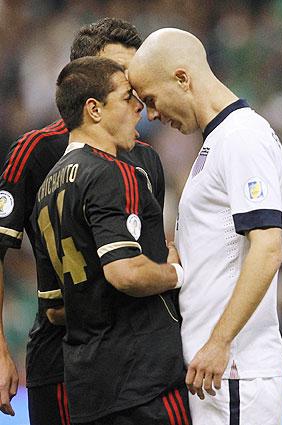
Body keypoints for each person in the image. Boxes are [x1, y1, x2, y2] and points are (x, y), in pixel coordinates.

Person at [0, 18, 166, 424]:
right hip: (59, 357)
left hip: (134, 365)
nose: (133, 91)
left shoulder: (145, 158)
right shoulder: (36, 150)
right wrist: (0, 352)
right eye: (119, 75)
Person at [128, 28, 282, 425]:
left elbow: (268, 248)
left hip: (234, 371)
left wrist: (220, 343)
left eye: (151, 99)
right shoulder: (217, 143)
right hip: (216, 371)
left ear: (182, 78)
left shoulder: (242, 137)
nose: (151, 115)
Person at [34, 56, 191, 425]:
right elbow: (126, 273)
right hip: (145, 382)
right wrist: (178, 273)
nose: (139, 108)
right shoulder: (111, 172)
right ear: (94, 110)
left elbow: (56, 309)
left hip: (88, 390)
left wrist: (97, 301)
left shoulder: (47, 189)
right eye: (126, 98)